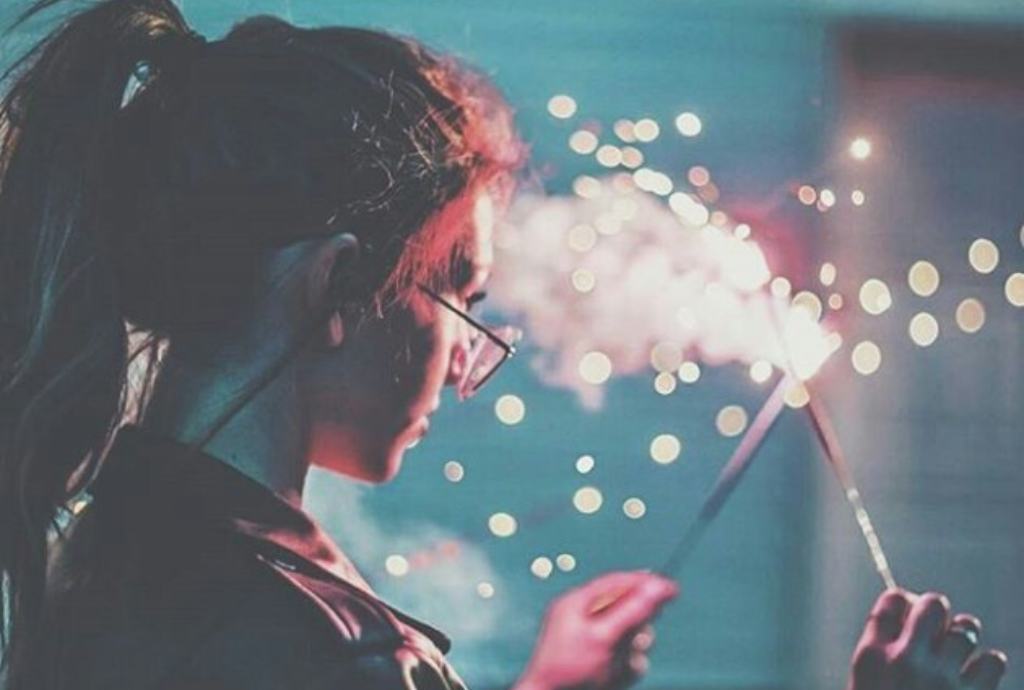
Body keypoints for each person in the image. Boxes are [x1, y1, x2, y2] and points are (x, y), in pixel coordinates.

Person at [0, 1, 1008, 689]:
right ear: (337, 288)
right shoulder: (302, 644)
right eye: (461, 296)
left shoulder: (135, 548)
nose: (466, 362)